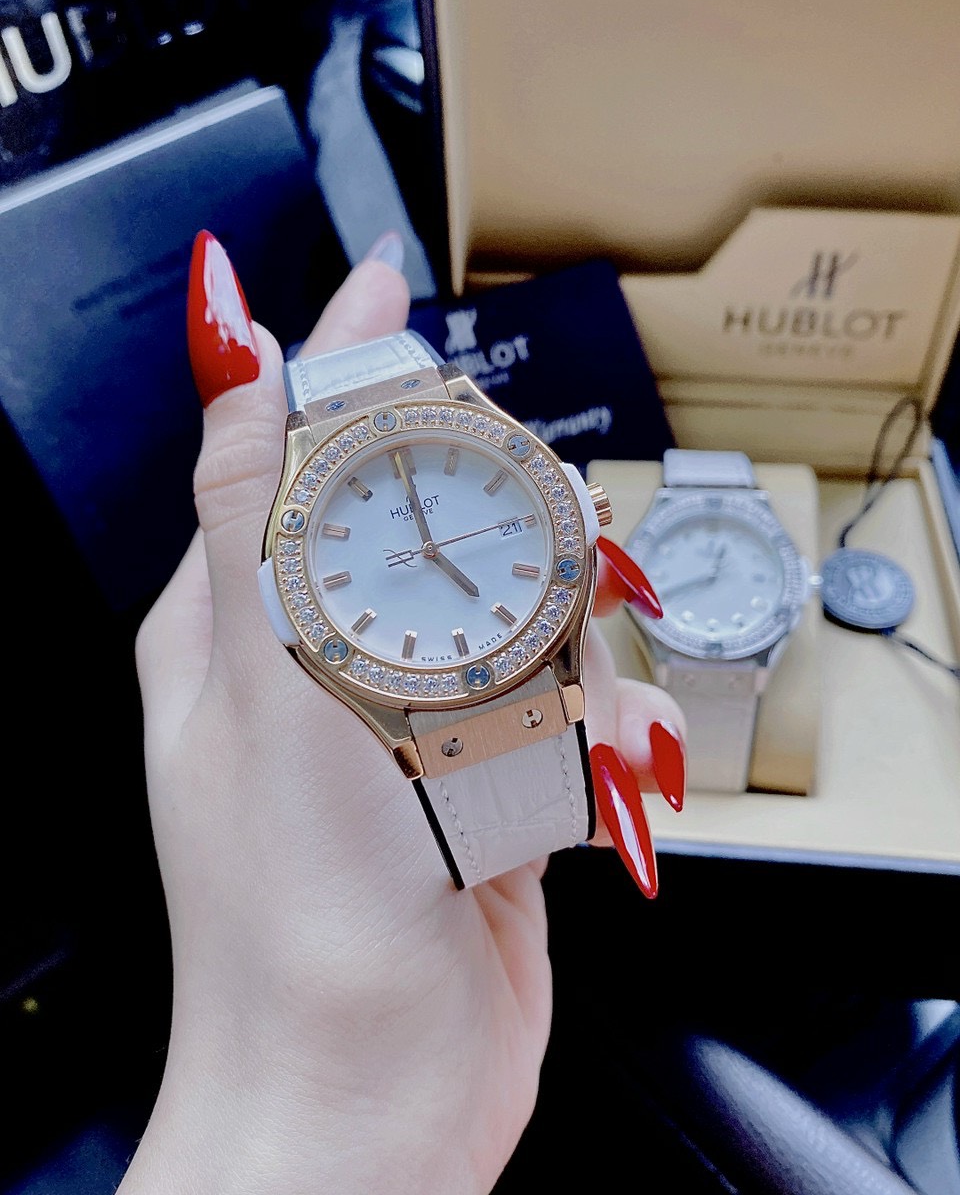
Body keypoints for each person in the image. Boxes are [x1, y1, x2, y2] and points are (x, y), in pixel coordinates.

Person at [119, 229, 686, 1194]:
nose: (424, 554)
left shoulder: (482, 437)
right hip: (425, 708)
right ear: (291, 609)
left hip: (512, 650)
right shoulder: (305, 607)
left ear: (564, 500)